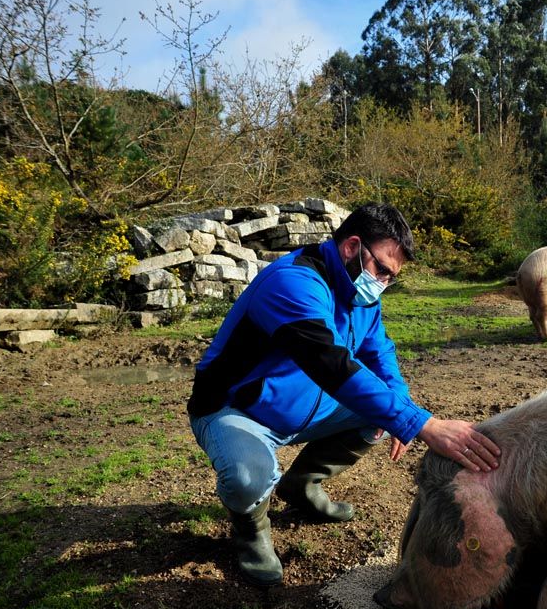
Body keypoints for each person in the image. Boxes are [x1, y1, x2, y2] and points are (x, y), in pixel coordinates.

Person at [187, 203, 500, 586]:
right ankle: (251, 529)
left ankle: (301, 484)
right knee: (247, 477)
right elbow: (333, 366)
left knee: (380, 413)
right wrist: (422, 423)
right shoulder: (292, 284)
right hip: (236, 410)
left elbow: (378, 351)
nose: (383, 283)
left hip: (305, 406)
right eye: (382, 269)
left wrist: (401, 407)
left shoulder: (361, 294)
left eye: (391, 277)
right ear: (352, 246)